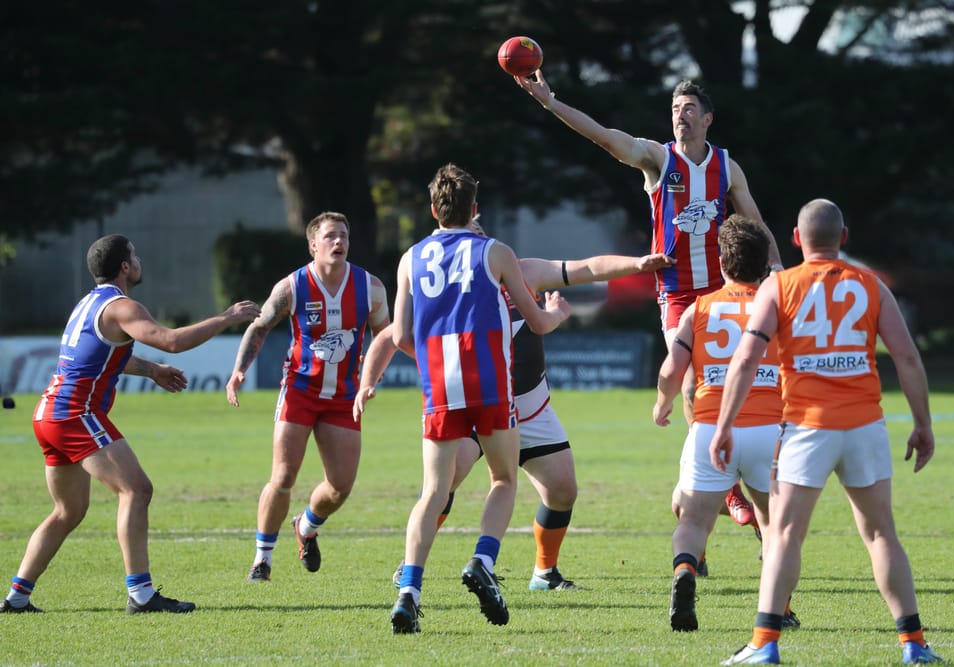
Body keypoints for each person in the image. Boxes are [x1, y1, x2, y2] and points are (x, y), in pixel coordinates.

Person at [514, 72, 782, 526]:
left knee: (735, 381)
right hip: (676, 292)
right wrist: (550, 103)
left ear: (708, 118)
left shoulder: (728, 168)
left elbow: (755, 225)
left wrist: (778, 272)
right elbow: (603, 137)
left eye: (690, 108)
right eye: (676, 108)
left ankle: (714, 489)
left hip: (723, 292)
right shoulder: (658, 159)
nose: (681, 114)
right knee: (694, 384)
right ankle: (729, 489)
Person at [357, 221, 671, 592]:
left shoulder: (523, 271)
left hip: (530, 404)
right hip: (477, 402)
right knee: (447, 479)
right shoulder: (452, 288)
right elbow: (393, 336)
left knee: (562, 489)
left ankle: (544, 573)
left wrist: (637, 264)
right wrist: (367, 381)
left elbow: (586, 268)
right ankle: (412, 561)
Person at [711, 199, 942, 665]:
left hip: (806, 429)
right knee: (881, 535)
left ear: (796, 239)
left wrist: (723, 425)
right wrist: (922, 424)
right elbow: (908, 358)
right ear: (844, 237)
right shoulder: (871, 285)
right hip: (864, 426)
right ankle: (914, 644)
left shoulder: (778, 286)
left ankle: (764, 644)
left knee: (784, 536)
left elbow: (746, 359)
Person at [1, 234, 260, 615]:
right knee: (136, 490)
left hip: (49, 413)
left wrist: (151, 371)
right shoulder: (122, 307)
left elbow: (103, 357)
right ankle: (140, 594)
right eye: (134, 255)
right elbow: (170, 340)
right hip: (75, 413)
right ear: (124, 266)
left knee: (67, 512)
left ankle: (17, 598)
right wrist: (227, 317)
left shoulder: (86, 304)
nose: (139, 260)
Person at [380, 163, 570, 634]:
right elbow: (538, 324)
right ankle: (483, 560)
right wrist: (557, 312)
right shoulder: (496, 252)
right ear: (475, 209)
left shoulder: (410, 258)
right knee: (504, 478)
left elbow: (400, 334)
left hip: (441, 385)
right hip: (489, 380)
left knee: (433, 492)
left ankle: (409, 591)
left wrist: (433, 363)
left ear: (432, 209)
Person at [226, 211, 390, 583]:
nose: (339, 242)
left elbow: (385, 338)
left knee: (340, 487)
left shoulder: (370, 287)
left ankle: (306, 525)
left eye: (344, 236)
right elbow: (260, 326)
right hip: (300, 389)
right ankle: (262, 559)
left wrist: (371, 378)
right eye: (330, 236)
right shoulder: (293, 286)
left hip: (344, 396)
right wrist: (239, 370)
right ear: (313, 244)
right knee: (283, 476)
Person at [653, 214, 799, 632]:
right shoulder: (780, 308)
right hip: (770, 431)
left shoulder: (700, 308)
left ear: (721, 264)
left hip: (710, 429)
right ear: (764, 263)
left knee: (693, 522)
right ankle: (779, 610)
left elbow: (669, 372)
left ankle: (685, 572)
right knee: (777, 529)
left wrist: (663, 404)